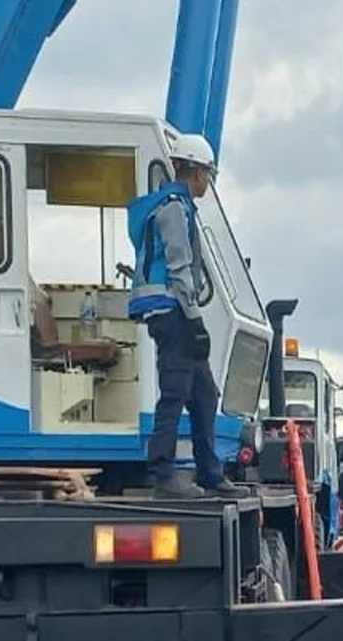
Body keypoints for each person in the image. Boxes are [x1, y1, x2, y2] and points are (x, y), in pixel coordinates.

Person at [127, 132, 236, 500]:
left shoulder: (177, 205)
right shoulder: (174, 207)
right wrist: (194, 319)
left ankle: (209, 472)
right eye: (208, 174)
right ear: (197, 172)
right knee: (174, 393)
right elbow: (179, 267)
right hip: (172, 310)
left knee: (204, 392)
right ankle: (163, 474)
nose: (208, 182)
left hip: (171, 309)